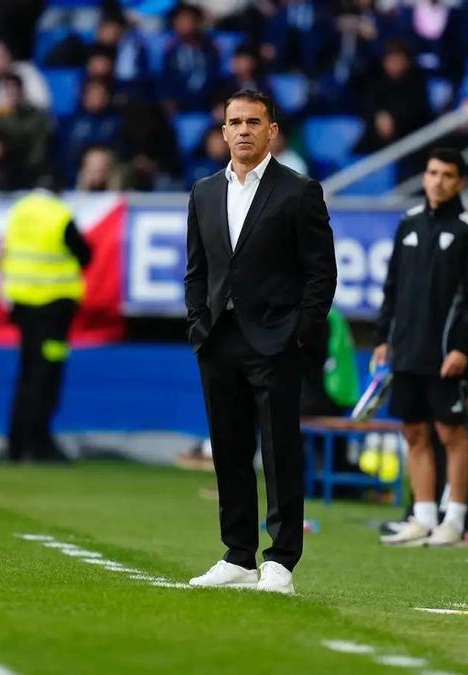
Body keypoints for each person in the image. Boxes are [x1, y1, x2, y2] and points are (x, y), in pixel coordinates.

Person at [184, 89, 337, 594]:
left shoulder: (298, 191)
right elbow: (196, 270)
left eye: (254, 121)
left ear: (272, 131)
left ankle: (282, 560)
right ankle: (237, 555)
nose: (244, 130)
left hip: (276, 341)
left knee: (279, 451)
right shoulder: (203, 192)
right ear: (223, 131)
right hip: (219, 338)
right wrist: (197, 323)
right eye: (235, 122)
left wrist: (300, 335)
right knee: (228, 450)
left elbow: (321, 274)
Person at [374, 147, 468, 548]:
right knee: (413, 432)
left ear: (460, 182)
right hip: (407, 349)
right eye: (432, 172)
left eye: (447, 174)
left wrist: (463, 347)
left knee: (452, 433)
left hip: (447, 352)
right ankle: (423, 516)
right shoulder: (408, 223)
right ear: (424, 177)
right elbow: (391, 288)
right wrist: (382, 339)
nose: (438, 181)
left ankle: (455, 519)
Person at [0, 188, 92, 463]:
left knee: (26, 374)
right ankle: (39, 442)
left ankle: (15, 445)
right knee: (47, 375)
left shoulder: (18, 211)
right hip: (54, 310)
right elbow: (84, 254)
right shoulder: (59, 215)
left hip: (24, 306)